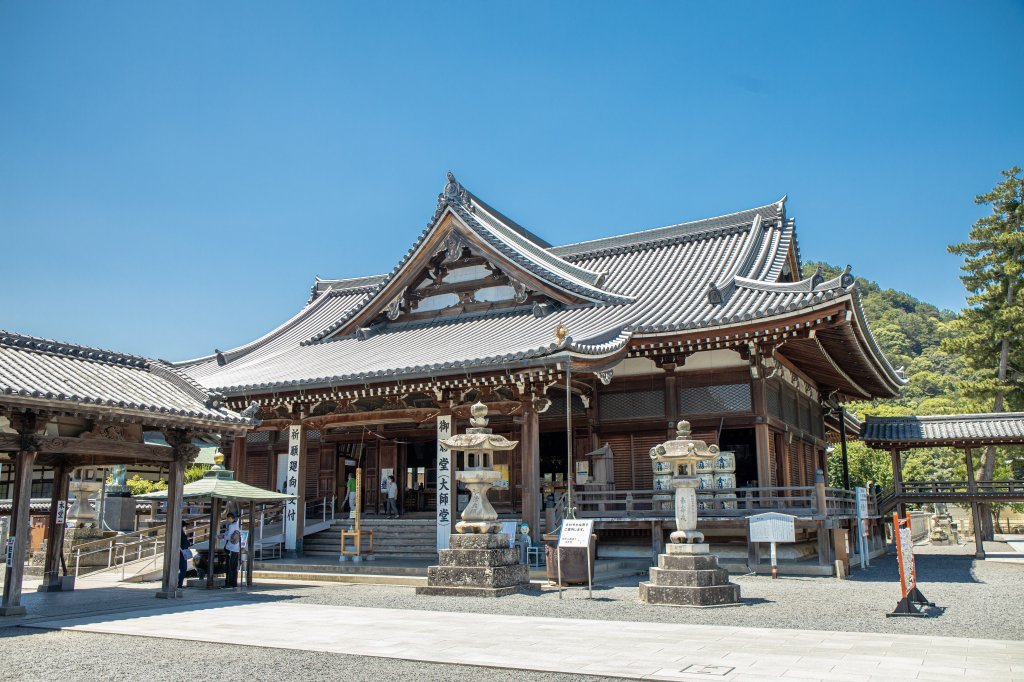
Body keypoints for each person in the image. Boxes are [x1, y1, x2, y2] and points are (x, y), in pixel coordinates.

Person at [221, 511, 241, 588]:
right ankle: (234, 583)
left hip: (231, 548)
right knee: (234, 566)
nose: (227, 519)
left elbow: (229, 536)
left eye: (228, 518)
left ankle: (229, 583)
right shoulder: (236, 525)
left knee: (229, 566)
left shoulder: (232, 526)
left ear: (230, 518)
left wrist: (222, 537)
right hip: (236, 548)